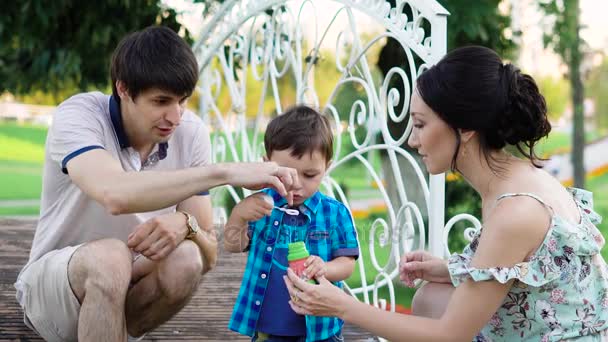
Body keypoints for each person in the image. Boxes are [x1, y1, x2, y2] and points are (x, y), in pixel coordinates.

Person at [283, 46, 608, 341]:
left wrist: (342, 306)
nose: (412, 139)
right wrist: (451, 268)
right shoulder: (515, 179)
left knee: (433, 309)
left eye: (421, 125)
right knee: (430, 296)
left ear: (465, 128)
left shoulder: (516, 209)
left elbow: (449, 334)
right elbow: (527, 273)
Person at [14, 26, 300, 342]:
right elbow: (114, 194)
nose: (175, 117)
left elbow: (209, 252)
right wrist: (224, 172)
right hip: (56, 291)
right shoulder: (79, 114)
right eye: (161, 101)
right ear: (123, 89)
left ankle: (112, 333)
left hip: (128, 295)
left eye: (183, 101)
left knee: (188, 259)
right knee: (111, 258)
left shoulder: (190, 133)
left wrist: (186, 224)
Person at [225, 105, 360, 341]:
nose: (296, 185)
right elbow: (232, 246)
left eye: (309, 175)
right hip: (268, 324)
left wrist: (326, 268)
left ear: (326, 167)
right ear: (266, 163)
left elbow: (347, 264)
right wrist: (238, 216)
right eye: (284, 174)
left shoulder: (334, 213)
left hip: (319, 327)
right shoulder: (261, 206)